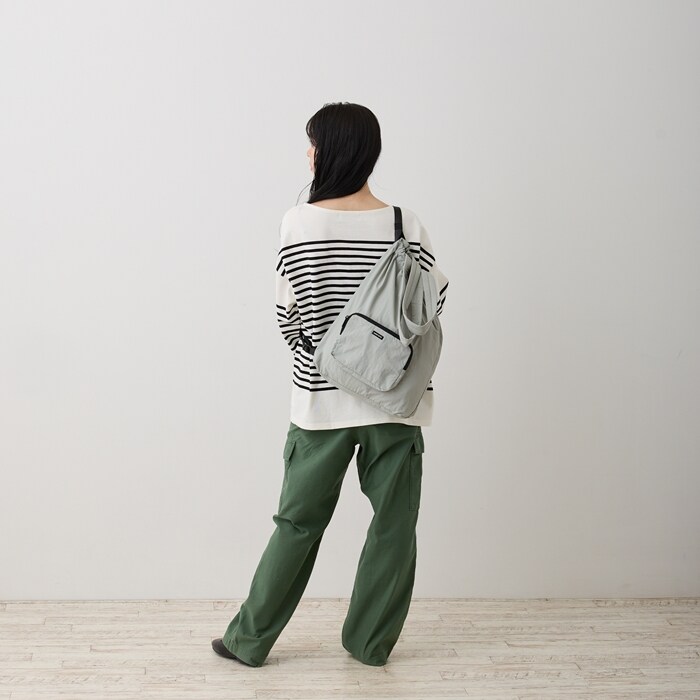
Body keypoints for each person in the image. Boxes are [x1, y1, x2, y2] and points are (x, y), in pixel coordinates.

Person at [212, 102, 448, 667]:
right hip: (395, 403)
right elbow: (433, 302)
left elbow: (288, 317)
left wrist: (325, 356)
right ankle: (369, 645)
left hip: (320, 402)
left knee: (297, 524)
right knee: (394, 526)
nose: (308, 153)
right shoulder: (405, 223)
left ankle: (249, 642)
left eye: (313, 142)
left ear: (332, 149)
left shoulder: (299, 223)